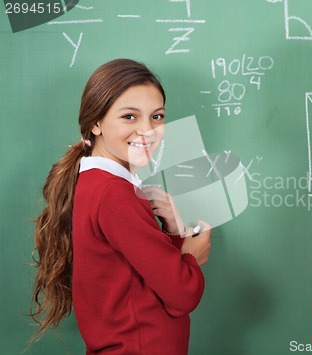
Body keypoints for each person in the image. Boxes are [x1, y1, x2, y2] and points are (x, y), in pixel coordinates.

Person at [29, 59, 211, 354]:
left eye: (157, 116)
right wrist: (192, 253)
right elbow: (181, 294)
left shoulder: (96, 182)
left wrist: (175, 232)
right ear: (95, 123)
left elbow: (139, 275)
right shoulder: (114, 192)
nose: (147, 130)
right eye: (129, 116)